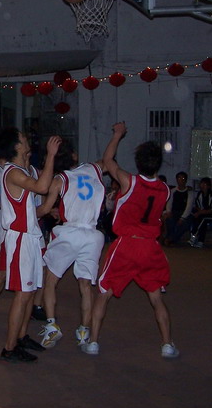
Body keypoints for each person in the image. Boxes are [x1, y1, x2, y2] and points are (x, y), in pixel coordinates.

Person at [83, 121, 179, 359]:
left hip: (127, 244)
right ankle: (167, 344)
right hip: (150, 247)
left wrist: (117, 135)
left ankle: (93, 342)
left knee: (103, 292)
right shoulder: (166, 190)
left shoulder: (129, 181)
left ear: (138, 162)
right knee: (156, 297)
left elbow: (108, 160)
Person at [0, 128, 61, 363]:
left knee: (30, 292)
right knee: (22, 295)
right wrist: (50, 155)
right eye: (23, 139)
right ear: (16, 146)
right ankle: (9, 348)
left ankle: (21, 337)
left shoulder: (22, 171)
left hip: (30, 237)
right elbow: (42, 187)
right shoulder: (12, 172)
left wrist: (49, 208)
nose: (27, 140)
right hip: (20, 239)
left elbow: (35, 207)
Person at [36, 140, 106, 349]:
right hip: (92, 234)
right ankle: (84, 331)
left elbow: (44, 209)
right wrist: (116, 136)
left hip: (69, 232)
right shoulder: (93, 169)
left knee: (50, 280)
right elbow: (108, 158)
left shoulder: (60, 179)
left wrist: (26, 214)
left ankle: (51, 325)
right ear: (74, 156)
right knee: (85, 285)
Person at [186, 177, 212, 248]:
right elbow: (198, 206)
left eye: (205, 184)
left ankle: (194, 236)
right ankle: (200, 241)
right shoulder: (199, 194)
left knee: (203, 219)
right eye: (202, 184)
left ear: (209, 186)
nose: (203, 186)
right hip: (201, 213)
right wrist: (199, 212)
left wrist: (200, 213)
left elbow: (211, 209)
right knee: (197, 218)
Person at [162, 171, 193, 245]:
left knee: (184, 223)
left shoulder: (189, 192)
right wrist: (169, 211)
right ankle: (171, 239)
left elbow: (189, 207)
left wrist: (182, 218)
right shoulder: (173, 191)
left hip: (185, 214)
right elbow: (169, 203)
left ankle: (170, 239)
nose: (181, 180)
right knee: (169, 220)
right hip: (174, 212)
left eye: (183, 178)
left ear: (186, 180)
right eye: (179, 178)